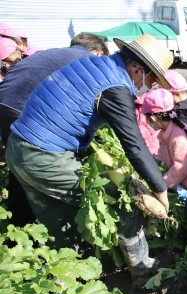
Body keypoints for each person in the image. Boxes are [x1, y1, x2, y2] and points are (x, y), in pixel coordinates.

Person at [5, 34, 173, 275]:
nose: (148, 87)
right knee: (124, 200)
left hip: (18, 148)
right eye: (152, 81)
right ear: (137, 70)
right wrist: (160, 189)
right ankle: (142, 267)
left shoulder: (91, 64)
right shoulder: (115, 86)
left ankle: (66, 280)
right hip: (44, 157)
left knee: (58, 225)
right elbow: (134, 144)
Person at [0, 32, 108, 226]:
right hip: (22, 108)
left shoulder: (55, 53)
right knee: (36, 162)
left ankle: (20, 224)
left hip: (5, 103)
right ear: (98, 53)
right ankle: (35, 221)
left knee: (19, 166)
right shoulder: (88, 61)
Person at [141, 88, 187, 222]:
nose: (147, 122)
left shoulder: (179, 137)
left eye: (147, 119)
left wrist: (160, 185)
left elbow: (180, 168)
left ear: (154, 118)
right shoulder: (165, 133)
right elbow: (161, 156)